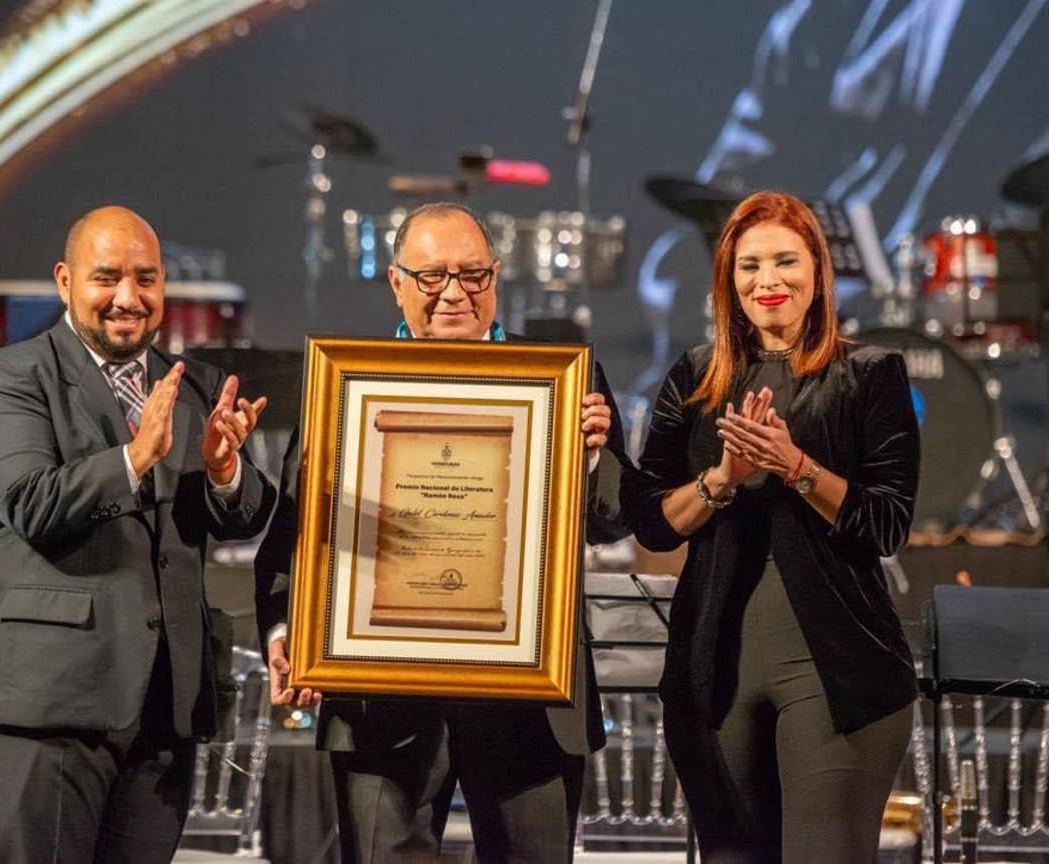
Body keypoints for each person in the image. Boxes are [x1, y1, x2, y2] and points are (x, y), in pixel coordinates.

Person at [254, 202, 630, 863]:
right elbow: (294, 537)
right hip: (379, 701)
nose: (453, 292)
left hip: (530, 703)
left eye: (472, 274)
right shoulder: (345, 385)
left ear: (497, 275)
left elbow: (611, 522)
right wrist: (293, 633)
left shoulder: (563, 381)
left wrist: (592, 457)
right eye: (430, 277)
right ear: (396, 282)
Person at [0, 205, 276, 863]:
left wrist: (223, 471)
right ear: (66, 281)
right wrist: (134, 458)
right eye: (107, 278)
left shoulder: (194, 387)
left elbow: (241, 516)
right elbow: (29, 501)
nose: (128, 298)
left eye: (146, 279)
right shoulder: (13, 377)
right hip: (46, 710)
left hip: (163, 710)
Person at [621, 190, 919, 861]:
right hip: (712, 674)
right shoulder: (695, 377)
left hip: (837, 677)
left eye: (786, 261)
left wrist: (794, 466)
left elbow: (886, 525)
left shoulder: (869, 374)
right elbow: (654, 527)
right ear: (729, 280)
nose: (769, 281)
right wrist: (721, 481)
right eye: (750, 266)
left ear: (818, 270)